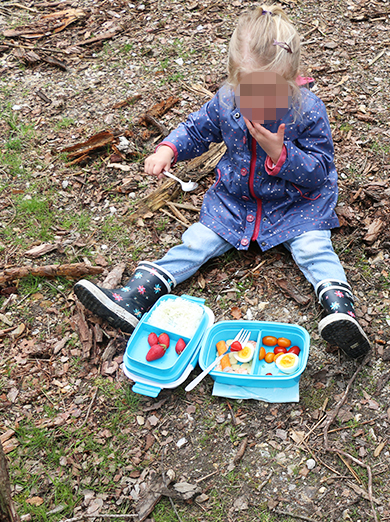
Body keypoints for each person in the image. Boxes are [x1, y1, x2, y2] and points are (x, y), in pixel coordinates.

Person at [74, 5, 370, 358]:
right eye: (248, 89)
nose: (258, 99)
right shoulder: (226, 101)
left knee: (314, 249)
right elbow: (198, 128)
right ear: (233, 79)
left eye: (269, 90)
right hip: (235, 202)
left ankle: (340, 311)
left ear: (290, 79)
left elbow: (320, 170)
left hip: (297, 203)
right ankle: (136, 295)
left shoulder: (307, 110)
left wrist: (280, 154)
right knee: (196, 243)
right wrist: (169, 149)